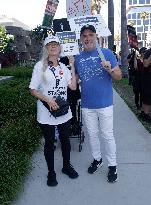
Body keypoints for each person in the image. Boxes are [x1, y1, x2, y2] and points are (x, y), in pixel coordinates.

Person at [29, 35, 79, 187]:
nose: (53, 46)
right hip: (46, 112)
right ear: (46, 48)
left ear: (60, 48)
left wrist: (72, 65)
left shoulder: (64, 67)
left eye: (56, 44)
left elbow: (73, 87)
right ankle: (51, 172)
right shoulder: (40, 66)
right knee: (49, 143)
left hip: (63, 112)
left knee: (65, 141)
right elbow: (32, 90)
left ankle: (66, 166)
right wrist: (47, 99)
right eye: (50, 44)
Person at [75, 25, 122, 183]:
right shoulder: (78, 58)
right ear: (81, 38)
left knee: (107, 135)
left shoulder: (106, 53)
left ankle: (113, 165)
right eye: (84, 36)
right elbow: (75, 81)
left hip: (105, 103)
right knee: (92, 135)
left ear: (95, 36)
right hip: (87, 104)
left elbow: (119, 77)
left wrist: (110, 69)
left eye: (90, 35)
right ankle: (97, 159)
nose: (87, 38)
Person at [141, 48, 151, 122]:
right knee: (147, 97)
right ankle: (145, 115)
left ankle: (145, 113)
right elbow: (145, 64)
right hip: (148, 79)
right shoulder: (149, 52)